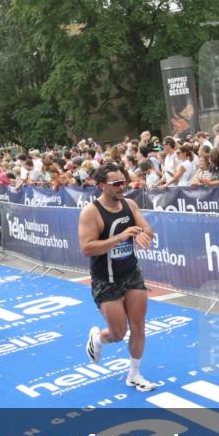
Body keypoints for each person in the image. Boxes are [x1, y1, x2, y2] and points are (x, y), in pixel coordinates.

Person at [78, 163, 157, 392]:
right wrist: (119, 238)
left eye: (124, 181)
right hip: (106, 280)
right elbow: (87, 248)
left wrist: (143, 234)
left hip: (131, 274)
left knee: (139, 326)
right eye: (117, 183)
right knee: (118, 334)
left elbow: (148, 229)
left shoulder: (130, 205)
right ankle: (98, 338)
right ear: (102, 186)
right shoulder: (91, 212)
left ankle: (134, 374)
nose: (122, 186)